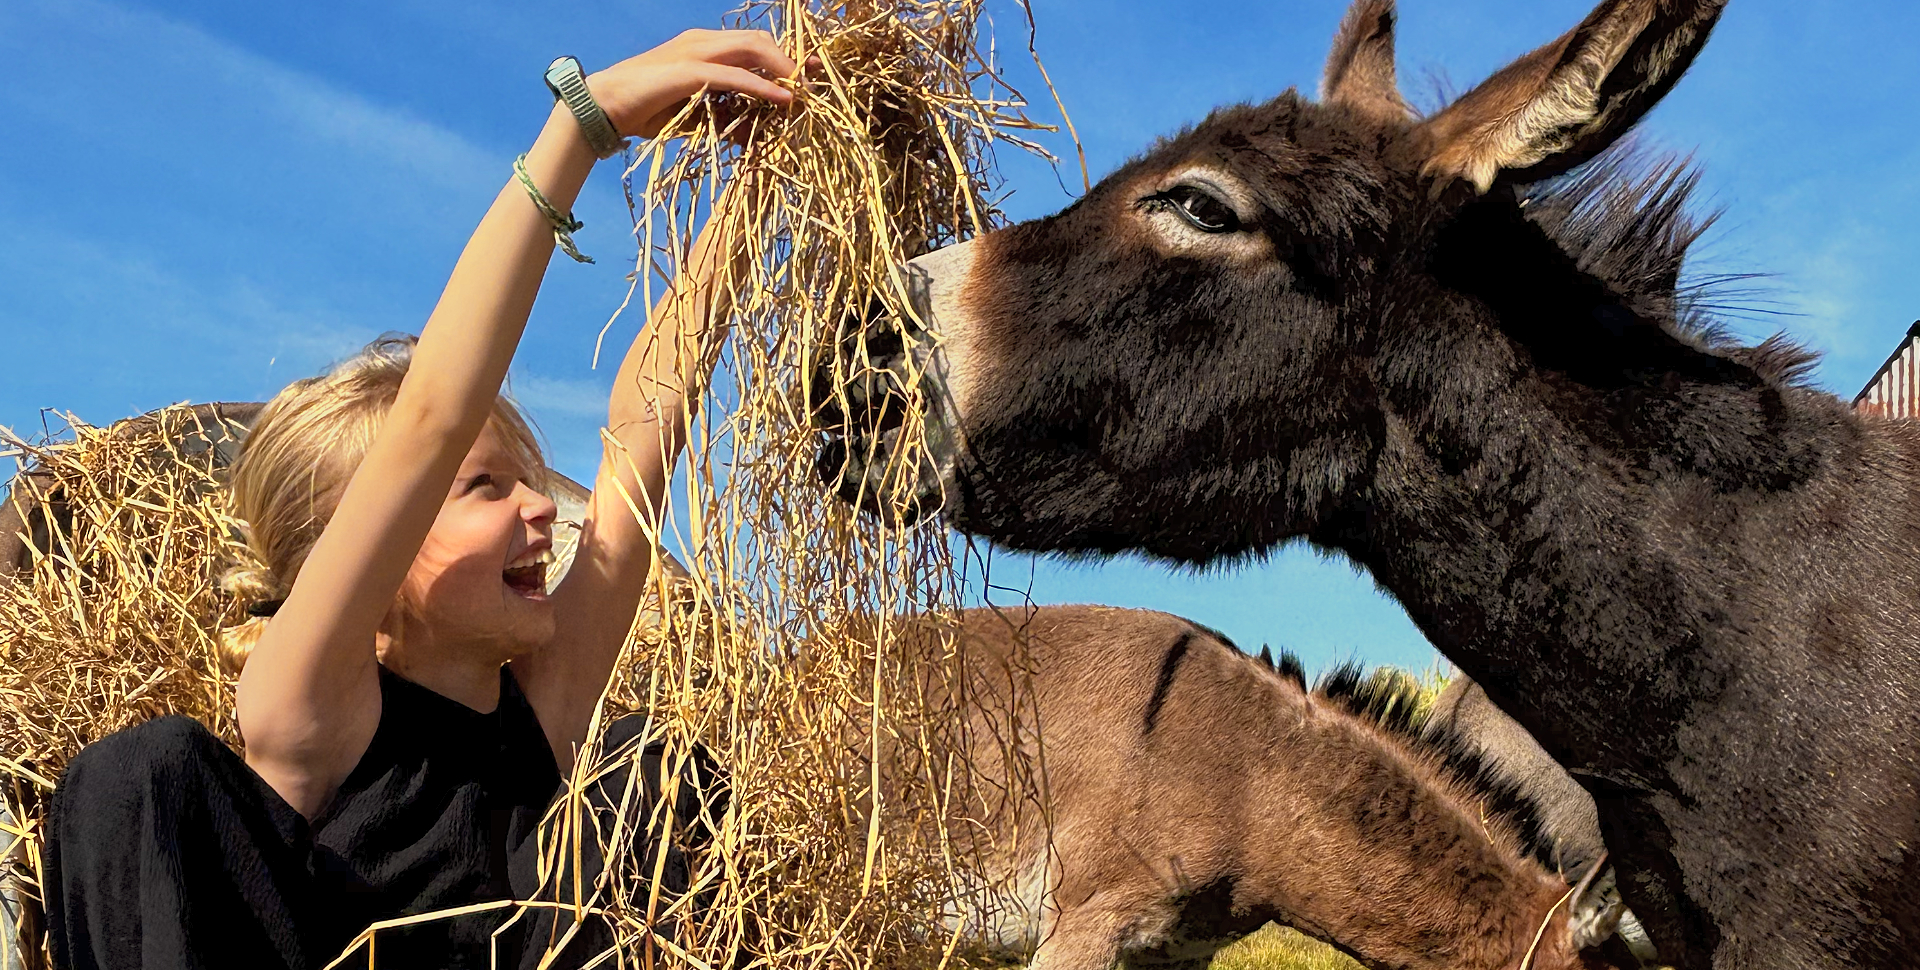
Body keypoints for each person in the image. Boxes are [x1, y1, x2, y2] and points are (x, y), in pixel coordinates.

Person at [42, 29, 799, 970]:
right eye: (485, 486)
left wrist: (772, 178)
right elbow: (432, 417)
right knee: (142, 774)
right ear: (373, 549)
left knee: (645, 766)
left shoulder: (543, 712)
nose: (538, 511)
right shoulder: (309, 713)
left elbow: (646, 432)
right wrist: (581, 127)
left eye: (525, 479)